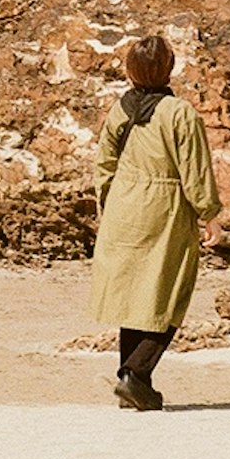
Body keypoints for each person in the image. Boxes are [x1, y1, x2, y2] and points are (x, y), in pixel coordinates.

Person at [86, 32, 218, 412]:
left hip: (124, 207)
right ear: (168, 69)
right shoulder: (180, 114)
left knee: (133, 297)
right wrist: (209, 214)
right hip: (165, 207)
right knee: (169, 293)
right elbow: (195, 170)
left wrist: (107, 208)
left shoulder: (119, 111)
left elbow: (103, 165)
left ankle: (133, 386)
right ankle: (135, 375)